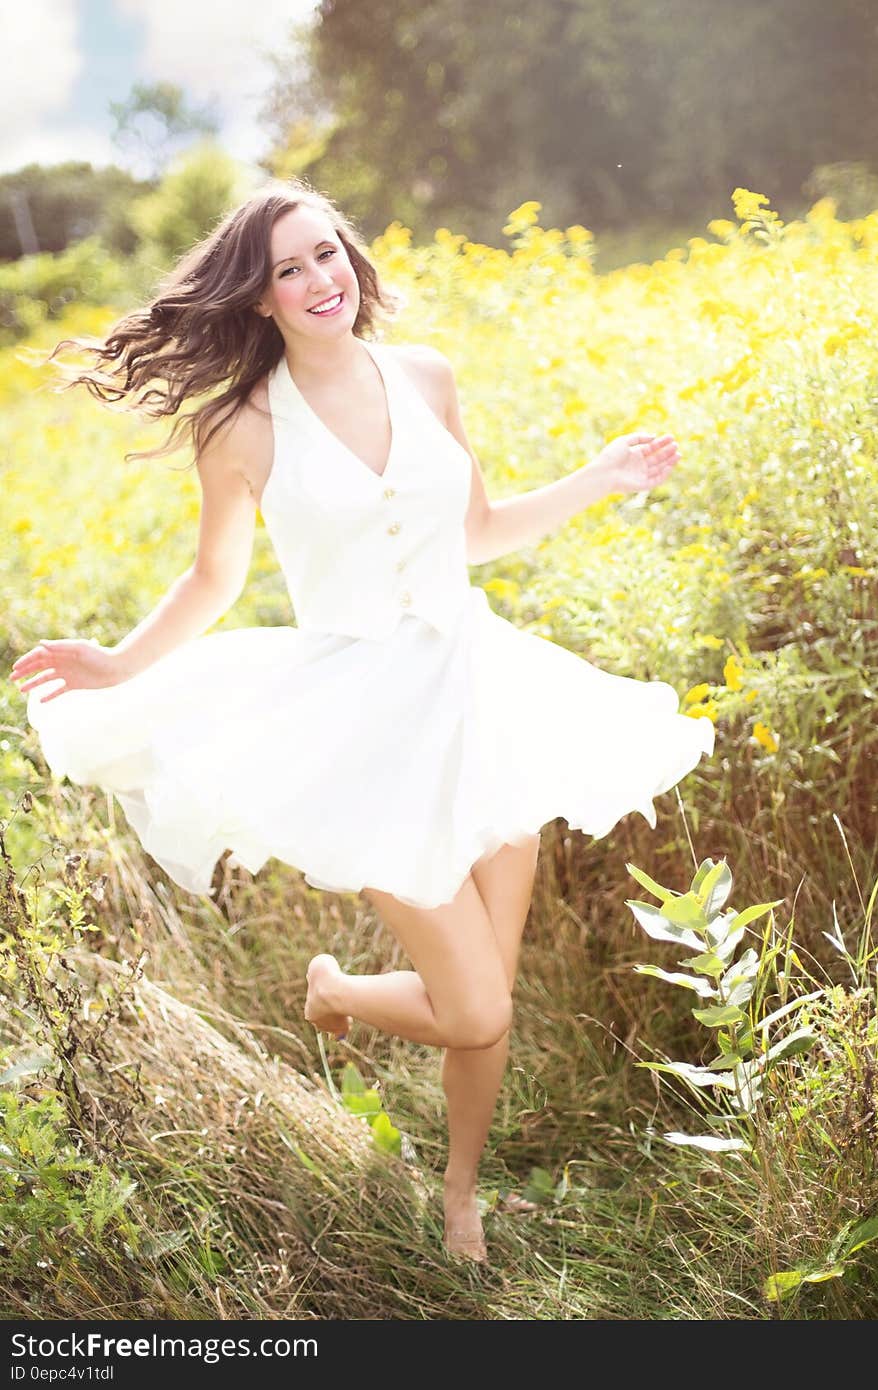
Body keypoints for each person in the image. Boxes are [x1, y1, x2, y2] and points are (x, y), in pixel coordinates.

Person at [10, 178, 715, 1263]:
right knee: (472, 1006)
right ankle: (333, 989)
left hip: (485, 699)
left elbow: (475, 530)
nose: (316, 279)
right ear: (259, 298)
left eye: (325, 253)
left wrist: (600, 476)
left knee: (492, 996)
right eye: (287, 268)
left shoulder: (426, 374)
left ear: (351, 258)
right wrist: (116, 660)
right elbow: (211, 580)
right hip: (363, 727)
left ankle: (461, 1196)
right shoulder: (238, 429)